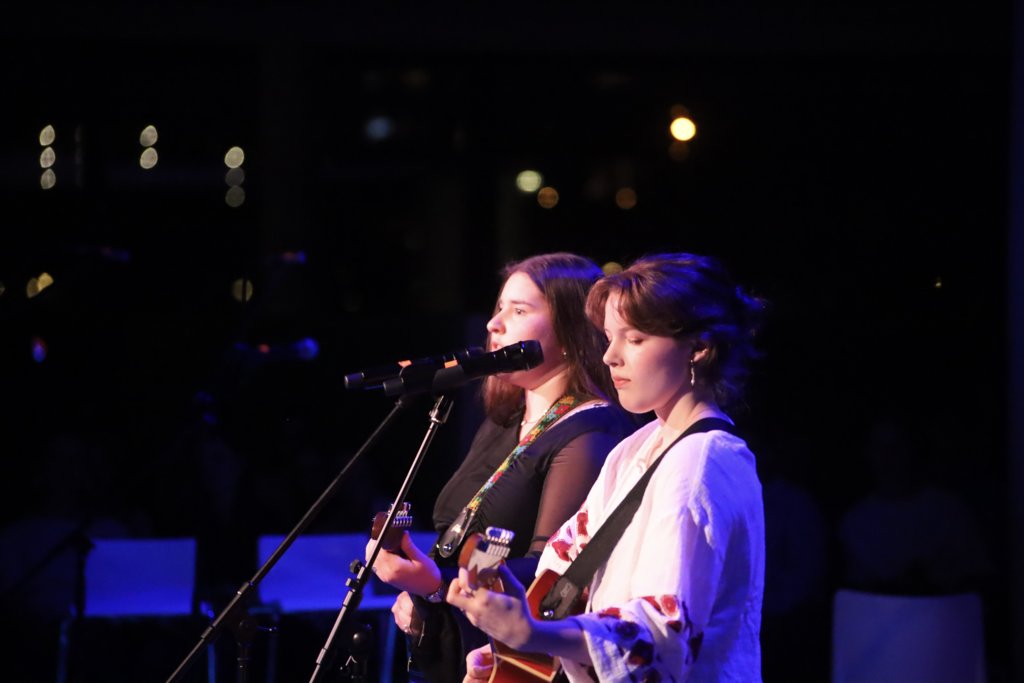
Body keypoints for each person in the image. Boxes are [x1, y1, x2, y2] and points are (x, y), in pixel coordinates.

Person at [448, 253, 767, 682]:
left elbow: (661, 632)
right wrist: (513, 651)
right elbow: (566, 573)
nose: (611, 356)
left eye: (634, 339)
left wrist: (532, 633)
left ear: (698, 348)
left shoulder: (703, 461)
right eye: (609, 337)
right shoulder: (636, 448)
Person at [368, 252, 636, 682]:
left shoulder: (590, 430)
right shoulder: (503, 423)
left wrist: (437, 586)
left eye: (519, 311)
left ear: (570, 330)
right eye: (499, 308)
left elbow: (552, 572)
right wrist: (424, 587)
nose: (495, 324)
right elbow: (468, 543)